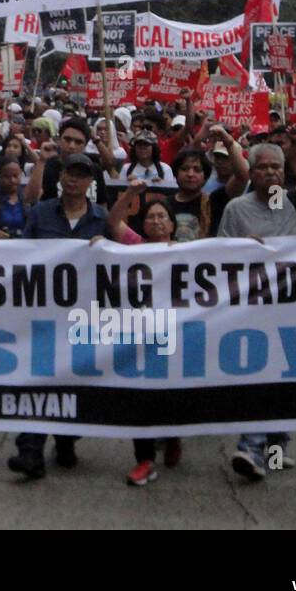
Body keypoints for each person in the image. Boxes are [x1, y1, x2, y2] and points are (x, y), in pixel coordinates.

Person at [218, 125, 296, 480]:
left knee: (286, 378)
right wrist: (242, 249)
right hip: (254, 309)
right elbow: (217, 260)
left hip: (295, 307)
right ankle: (251, 448)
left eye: (276, 167)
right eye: (262, 167)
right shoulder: (236, 209)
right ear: (251, 172)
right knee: (261, 375)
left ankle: (275, 447)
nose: (271, 173)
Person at [9, 153, 109, 478]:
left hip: (83, 317)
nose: (74, 180)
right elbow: (22, 255)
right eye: (70, 173)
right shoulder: (40, 213)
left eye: (82, 175)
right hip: (43, 314)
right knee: (37, 380)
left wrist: (106, 246)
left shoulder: (101, 219)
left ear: (91, 182)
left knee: (74, 383)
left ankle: (67, 439)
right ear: (61, 176)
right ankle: (30, 451)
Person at [105, 182, 186, 485]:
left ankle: (174, 434)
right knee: (138, 396)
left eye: (162, 216)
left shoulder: (190, 251)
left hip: (177, 333)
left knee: (171, 393)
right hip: (140, 334)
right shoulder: (135, 246)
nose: (155, 221)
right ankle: (144, 460)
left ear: (172, 223)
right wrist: (129, 195)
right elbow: (113, 221)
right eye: (150, 216)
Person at [0, 158, 31, 238]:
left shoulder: (27, 198)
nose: (12, 180)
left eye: (15, 176)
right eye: (7, 177)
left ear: (21, 174)